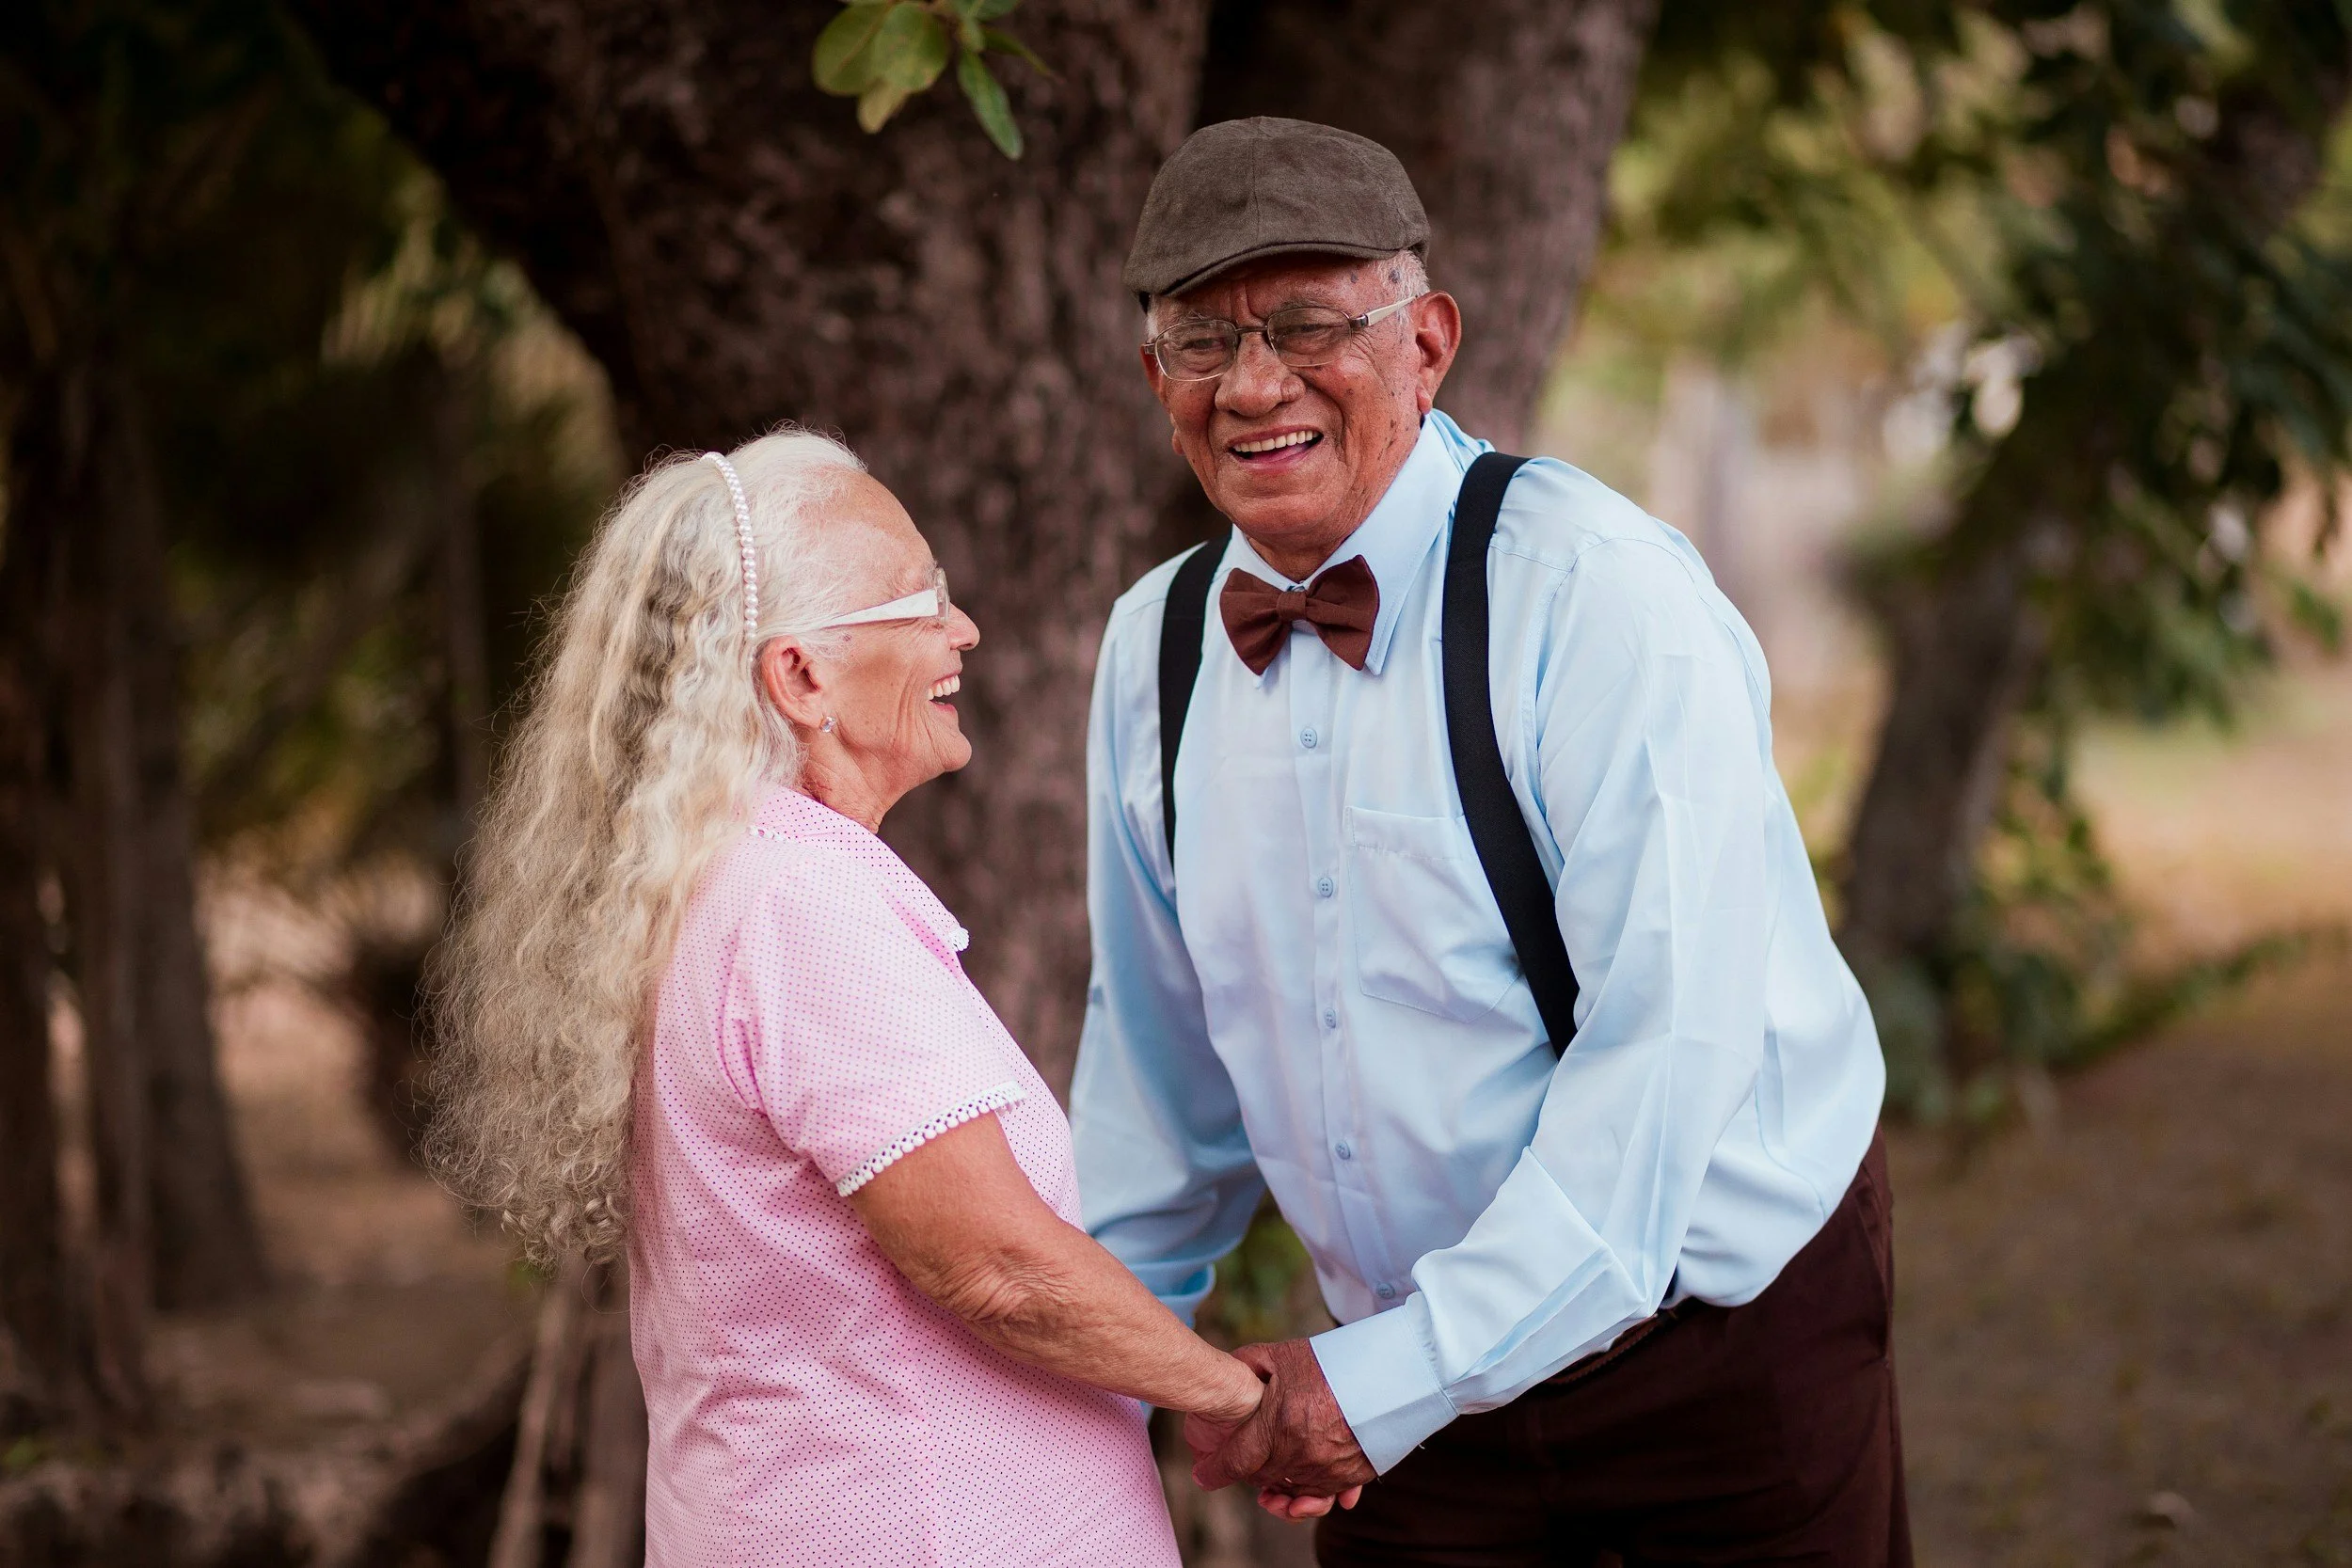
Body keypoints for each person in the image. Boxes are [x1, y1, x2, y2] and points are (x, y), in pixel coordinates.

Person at [1073, 117, 1911, 1564]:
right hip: (1409, 1395)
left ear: (1429, 342)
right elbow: (1156, 1085)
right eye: (1204, 339)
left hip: (1711, 1348)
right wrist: (1084, 1369)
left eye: (1311, 324)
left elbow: (1661, 1075)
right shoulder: (1153, 649)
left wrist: (1383, 1380)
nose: (1255, 382)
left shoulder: (1595, 598)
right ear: (1158, 380)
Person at [428, 430, 1263, 1567]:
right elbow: (995, 1265)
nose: (961, 629)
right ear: (801, 675)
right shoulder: (801, 905)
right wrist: (1235, 1396)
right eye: (920, 600)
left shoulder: (713, 881)